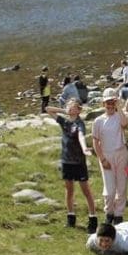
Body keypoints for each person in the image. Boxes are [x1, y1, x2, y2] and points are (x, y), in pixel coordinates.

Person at [45, 99, 98, 232]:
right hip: (66, 161)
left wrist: (85, 148)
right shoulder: (64, 121)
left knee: (86, 190)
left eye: (73, 107)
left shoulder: (80, 124)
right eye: (68, 106)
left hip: (78, 162)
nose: (70, 108)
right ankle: (71, 218)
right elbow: (48, 109)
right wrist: (65, 111)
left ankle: (93, 219)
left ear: (79, 110)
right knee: (69, 190)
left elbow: (80, 136)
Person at [92, 86, 128, 227]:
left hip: (121, 152)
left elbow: (125, 124)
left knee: (122, 186)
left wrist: (119, 106)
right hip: (107, 155)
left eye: (112, 102)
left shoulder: (119, 116)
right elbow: (95, 141)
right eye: (107, 103)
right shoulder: (98, 121)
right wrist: (102, 159)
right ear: (103, 104)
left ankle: (119, 215)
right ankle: (109, 213)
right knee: (109, 190)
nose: (110, 105)